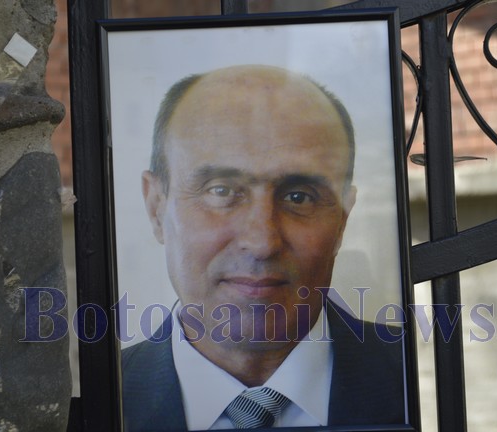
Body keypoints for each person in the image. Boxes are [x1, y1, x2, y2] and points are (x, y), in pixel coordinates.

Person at [122, 65, 405, 430]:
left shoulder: (425, 387)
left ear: (342, 220)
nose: (262, 243)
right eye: (221, 191)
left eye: (299, 197)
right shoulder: (86, 408)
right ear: (156, 207)